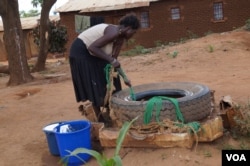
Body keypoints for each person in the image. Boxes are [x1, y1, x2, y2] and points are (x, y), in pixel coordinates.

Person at [69, 13, 140, 123]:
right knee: (95, 82)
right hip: (81, 52)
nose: (133, 35)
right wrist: (111, 60)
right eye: (134, 32)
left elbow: (114, 62)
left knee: (112, 80)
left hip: (92, 53)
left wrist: (125, 78)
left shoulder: (120, 38)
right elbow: (93, 47)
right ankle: (100, 118)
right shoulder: (113, 32)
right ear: (128, 28)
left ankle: (111, 109)